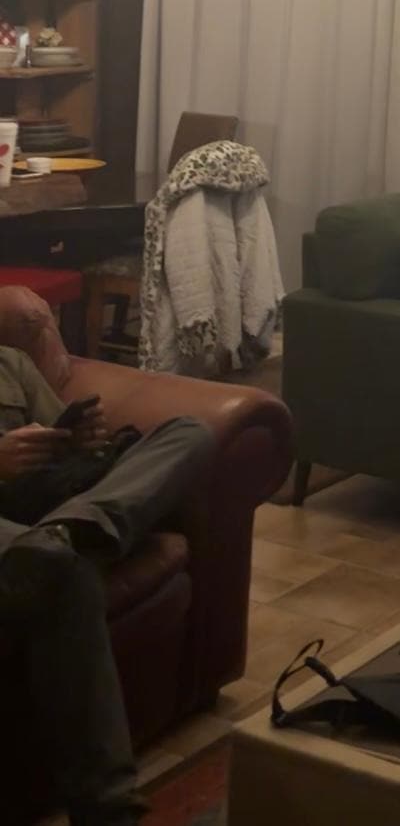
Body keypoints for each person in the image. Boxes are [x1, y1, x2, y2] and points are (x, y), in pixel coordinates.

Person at [0, 343, 213, 826]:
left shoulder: (10, 362)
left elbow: (65, 449)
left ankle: (73, 530)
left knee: (190, 433)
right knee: (61, 569)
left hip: (49, 508)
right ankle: (109, 812)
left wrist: (77, 439)